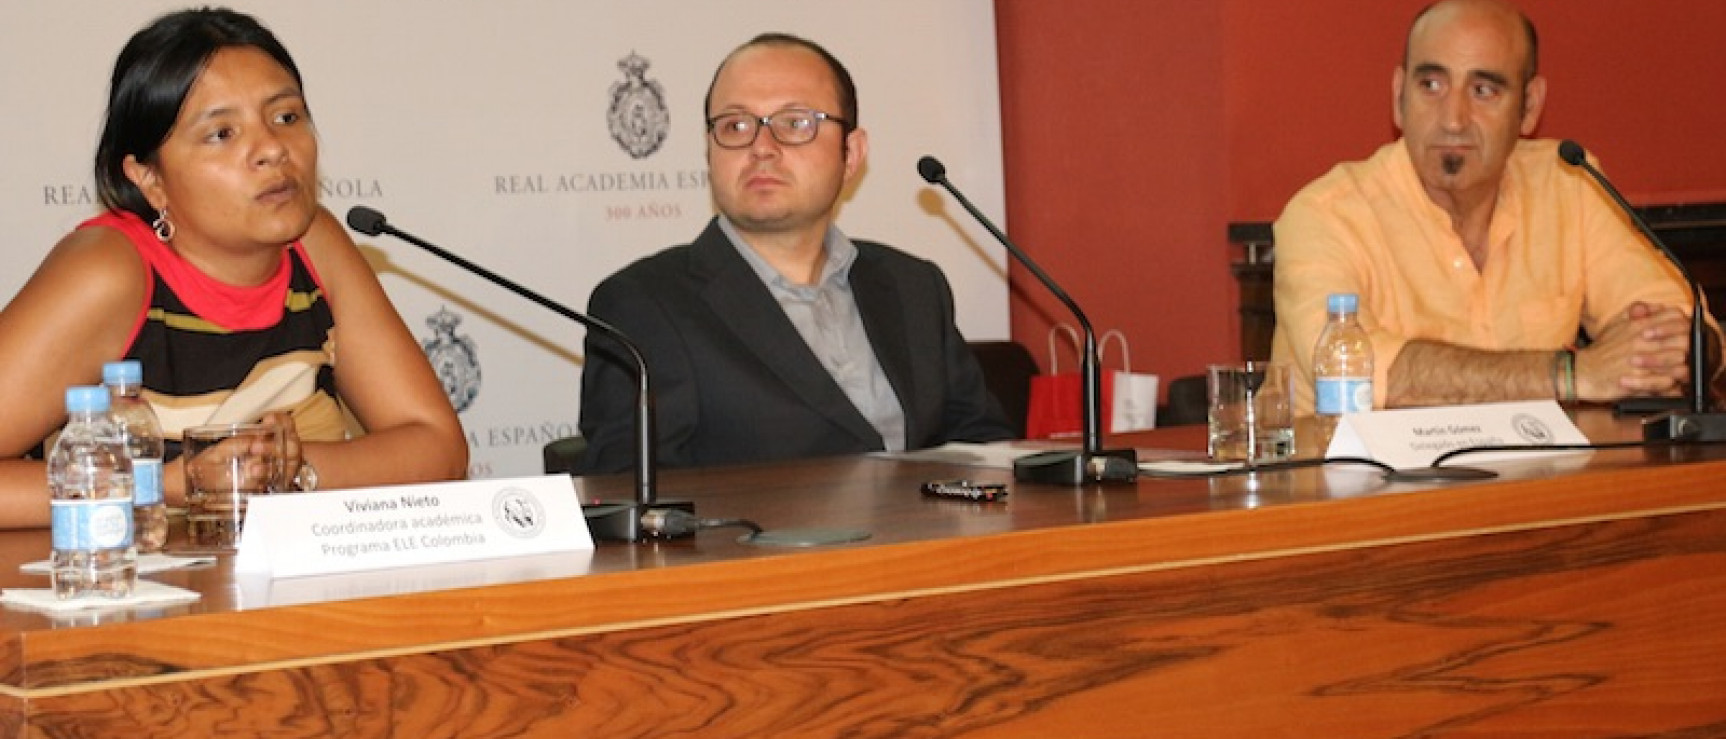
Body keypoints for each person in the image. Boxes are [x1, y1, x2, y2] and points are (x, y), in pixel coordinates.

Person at [0, 8, 467, 527]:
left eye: (286, 117)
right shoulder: (108, 272)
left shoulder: (314, 244)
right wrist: (179, 483)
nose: (271, 149)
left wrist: (290, 469)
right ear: (149, 178)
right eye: (222, 133)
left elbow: (438, 447)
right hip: (127, 592)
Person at [577, 33, 1014, 474]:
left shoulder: (913, 285)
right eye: (735, 126)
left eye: (795, 123)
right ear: (709, 153)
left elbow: (983, 446)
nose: (761, 147)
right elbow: (629, 494)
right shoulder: (644, 306)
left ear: (852, 153)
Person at [1271, 0, 1712, 416]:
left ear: (1530, 107)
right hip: (1350, 487)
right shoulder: (1324, 215)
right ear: (1398, 96)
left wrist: (1662, 349)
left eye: (1483, 90)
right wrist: (1571, 376)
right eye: (1431, 85)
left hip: (1528, 485)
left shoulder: (1569, 183)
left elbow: (1689, 329)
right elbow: (1355, 369)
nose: (1453, 118)